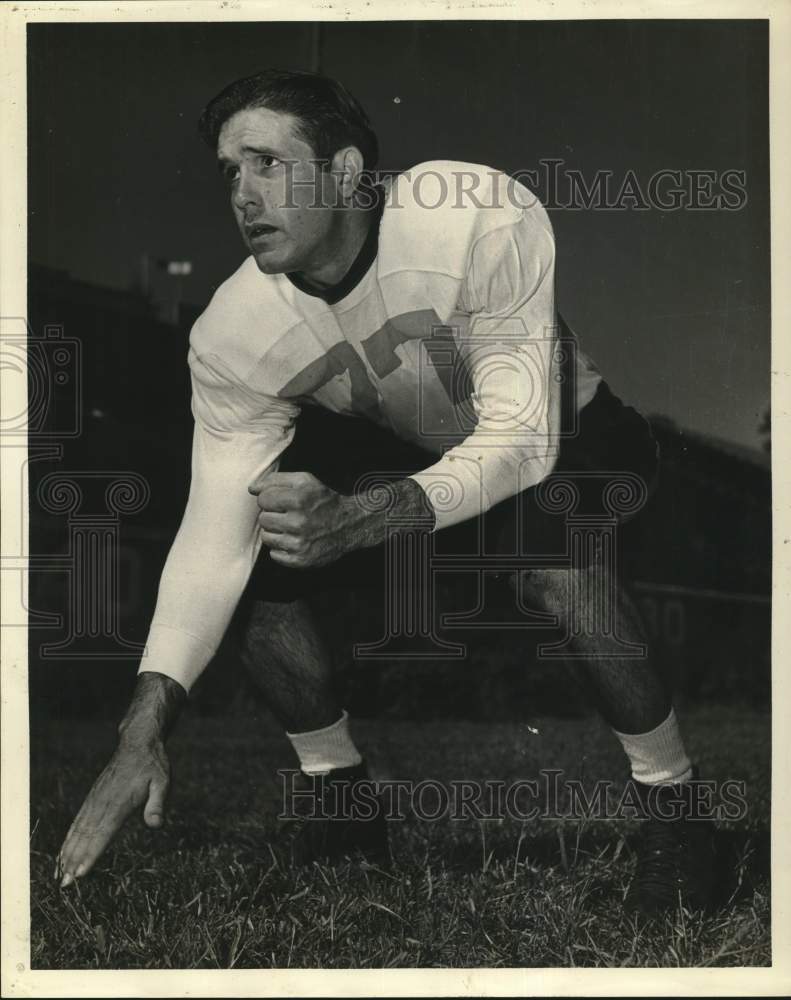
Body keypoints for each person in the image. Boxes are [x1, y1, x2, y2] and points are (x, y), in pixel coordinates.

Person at [56, 69, 714, 916]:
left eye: (266, 162)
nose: (241, 195)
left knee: (555, 562)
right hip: (419, 452)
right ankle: (342, 803)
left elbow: (517, 441)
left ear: (343, 170)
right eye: (228, 170)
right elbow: (209, 537)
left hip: (568, 434)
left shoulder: (471, 212)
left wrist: (361, 518)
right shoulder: (231, 331)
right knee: (263, 555)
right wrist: (139, 731)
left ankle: (677, 811)